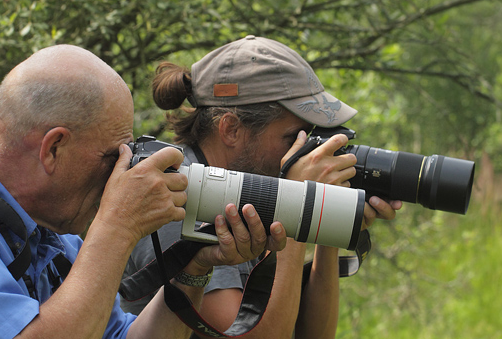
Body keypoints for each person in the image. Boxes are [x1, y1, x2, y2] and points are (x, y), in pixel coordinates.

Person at [0, 44, 288, 339]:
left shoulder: (57, 242)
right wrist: (116, 226)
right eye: (111, 156)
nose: (120, 171)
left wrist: (195, 266)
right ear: (53, 148)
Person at [121, 35, 403, 338]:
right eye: (293, 137)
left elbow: (315, 334)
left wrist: (327, 216)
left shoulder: (251, 190)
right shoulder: (180, 197)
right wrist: (300, 203)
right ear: (231, 129)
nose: (305, 151)